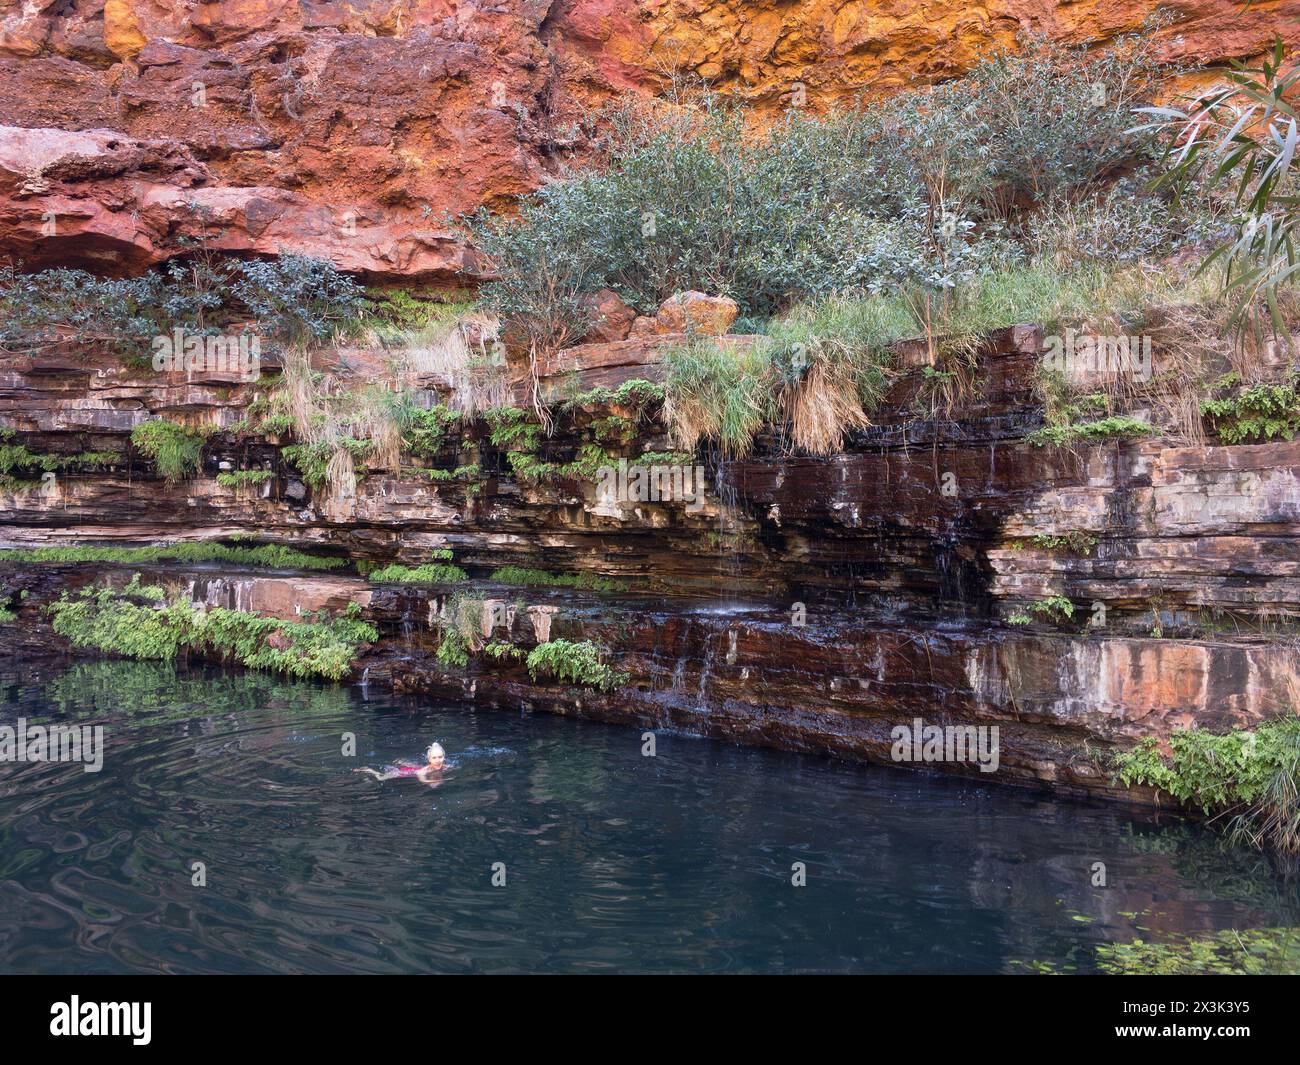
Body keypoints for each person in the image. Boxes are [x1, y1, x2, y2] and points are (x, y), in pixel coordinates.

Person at [355, 742, 447, 783]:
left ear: (444, 757)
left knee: (415, 766)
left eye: (440, 757)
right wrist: (438, 780)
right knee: (381, 778)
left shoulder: (446, 766)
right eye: (434, 758)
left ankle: (402, 762)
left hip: (415, 768)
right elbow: (423, 780)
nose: (438, 760)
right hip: (404, 772)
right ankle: (369, 770)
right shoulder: (424, 770)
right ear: (429, 759)